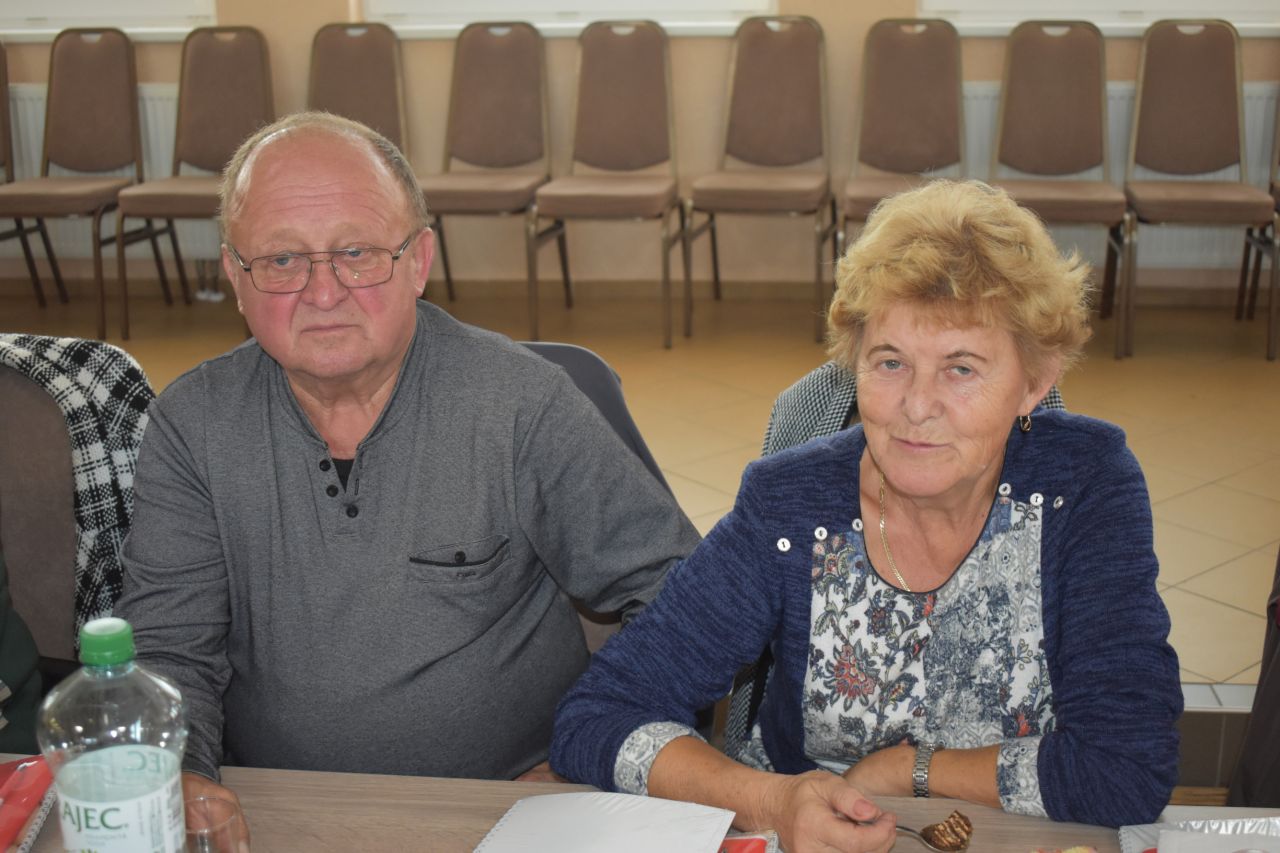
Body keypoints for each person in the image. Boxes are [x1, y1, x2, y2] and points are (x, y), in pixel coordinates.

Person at [552, 180, 1181, 852]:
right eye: (891, 362)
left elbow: (1128, 769)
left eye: (961, 369)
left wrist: (908, 770)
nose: (916, 405)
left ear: (1034, 381)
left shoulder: (1085, 485)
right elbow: (598, 715)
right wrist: (770, 799)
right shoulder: (789, 504)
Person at [114, 113, 700, 819]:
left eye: (356, 252)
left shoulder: (519, 404)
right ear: (235, 278)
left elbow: (687, 598)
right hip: (272, 807)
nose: (322, 292)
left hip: (508, 810)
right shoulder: (192, 424)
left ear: (419, 261)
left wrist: (594, 747)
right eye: (281, 259)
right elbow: (168, 650)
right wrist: (178, 778)